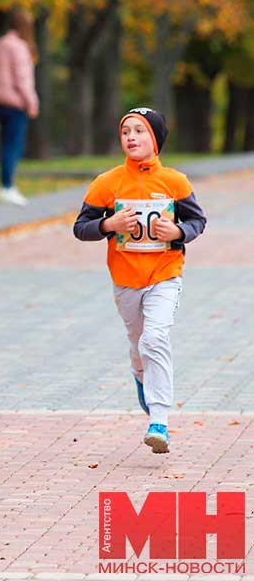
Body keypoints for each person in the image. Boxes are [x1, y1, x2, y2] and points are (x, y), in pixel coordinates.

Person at [73, 107, 207, 454]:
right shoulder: (107, 183)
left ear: (156, 139)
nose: (131, 138)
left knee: (155, 338)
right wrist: (108, 225)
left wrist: (177, 230)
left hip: (165, 274)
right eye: (126, 132)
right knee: (138, 344)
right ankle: (140, 377)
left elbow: (197, 222)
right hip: (126, 280)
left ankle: (158, 421)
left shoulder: (176, 182)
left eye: (140, 131)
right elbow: (81, 228)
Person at [0, 8, 40, 207]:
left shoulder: (1, 43)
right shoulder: (19, 47)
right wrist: (32, 103)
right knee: (13, 145)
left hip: (0, 102)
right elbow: (22, 79)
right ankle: (7, 187)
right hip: (15, 102)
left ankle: (5, 185)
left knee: (5, 144)